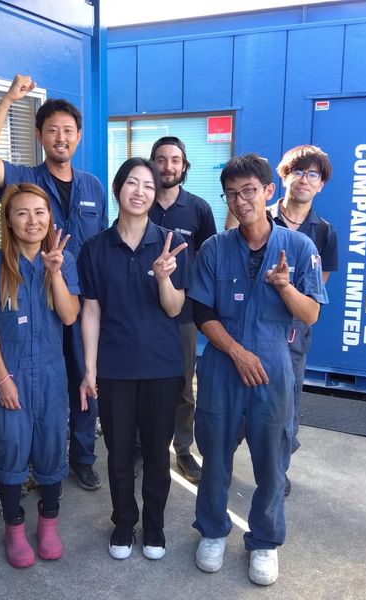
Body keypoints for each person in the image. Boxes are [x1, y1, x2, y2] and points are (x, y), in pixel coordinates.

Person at [189, 154, 327, 585]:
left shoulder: (299, 248)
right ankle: (213, 531)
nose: (241, 200)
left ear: (268, 191)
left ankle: (264, 541)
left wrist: (285, 287)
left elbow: (311, 314)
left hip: (273, 370)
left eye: (249, 190)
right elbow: (201, 311)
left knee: (271, 462)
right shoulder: (214, 249)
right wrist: (236, 353)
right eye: (231, 194)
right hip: (221, 368)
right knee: (215, 457)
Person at [0, 74, 107, 492]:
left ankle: (81, 456)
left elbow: (100, 244)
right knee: (38, 379)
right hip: (35, 297)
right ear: (39, 136)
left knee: (84, 377)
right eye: (52, 130)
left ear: (78, 136)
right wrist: (9, 99)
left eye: (68, 130)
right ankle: (30, 461)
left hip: (77, 297)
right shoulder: (23, 180)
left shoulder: (93, 185)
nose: (60, 138)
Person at [78, 158, 188, 561]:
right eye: (132, 183)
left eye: (148, 185)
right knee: (119, 452)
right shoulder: (95, 248)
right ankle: (124, 522)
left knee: (158, 454)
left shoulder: (171, 244)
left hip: (161, 368)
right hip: (115, 369)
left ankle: (154, 526)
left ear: (156, 194)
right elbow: (91, 310)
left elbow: (175, 308)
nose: (139, 192)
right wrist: (90, 368)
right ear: (117, 188)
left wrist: (163, 277)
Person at [0, 183, 80, 568]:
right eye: (21, 212)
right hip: (10, 374)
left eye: (39, 212)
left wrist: (55, 273)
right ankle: (14, 528)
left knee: (52, 448)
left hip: (51, 375)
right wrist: (2, 379)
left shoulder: (63, 261)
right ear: (8, 220)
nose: (32, 220)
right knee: (10, 451)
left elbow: (69, 316)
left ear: (50, 218)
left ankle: (48, 524)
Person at [225, 145, 337, 495]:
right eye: (297, 172)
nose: (304, 180)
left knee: (284, 409)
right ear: (281, 180)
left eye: (313, 174)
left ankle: (277, 471)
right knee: (234, 404)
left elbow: (314, 297)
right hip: (244, 327)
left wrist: (286, 289)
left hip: (290, 337)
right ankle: (221, 462)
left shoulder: (324, 233)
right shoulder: (255, 210)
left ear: (321, 184)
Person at [147, 136, 217, 484]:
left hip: (183, 313)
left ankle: (184, 449)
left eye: (175, 160)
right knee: (143, 382)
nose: (168, 166)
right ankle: (143, 446)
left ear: (184, 166)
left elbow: (209, 260)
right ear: (152, 163)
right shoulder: (140, 201)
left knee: (183, 386)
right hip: (143, 310)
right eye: (161, 159)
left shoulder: (198, 209)